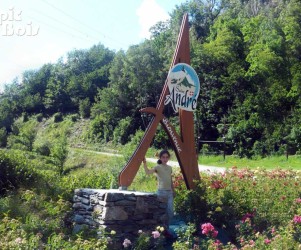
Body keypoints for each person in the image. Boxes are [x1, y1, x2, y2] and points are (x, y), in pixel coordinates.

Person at [142, 150, 174, 224]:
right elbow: (148, 172)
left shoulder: (170, 168)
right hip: (161, 192)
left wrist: (173, 190)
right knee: (160, 212)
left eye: (167, 157)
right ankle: (160, 228)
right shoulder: (158, 167)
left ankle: (168, 228)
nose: (165, 159)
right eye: (163, 157)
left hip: (169, 193)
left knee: (170, 212)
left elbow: (170, 180)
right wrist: (144, 163)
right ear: (160, 158)